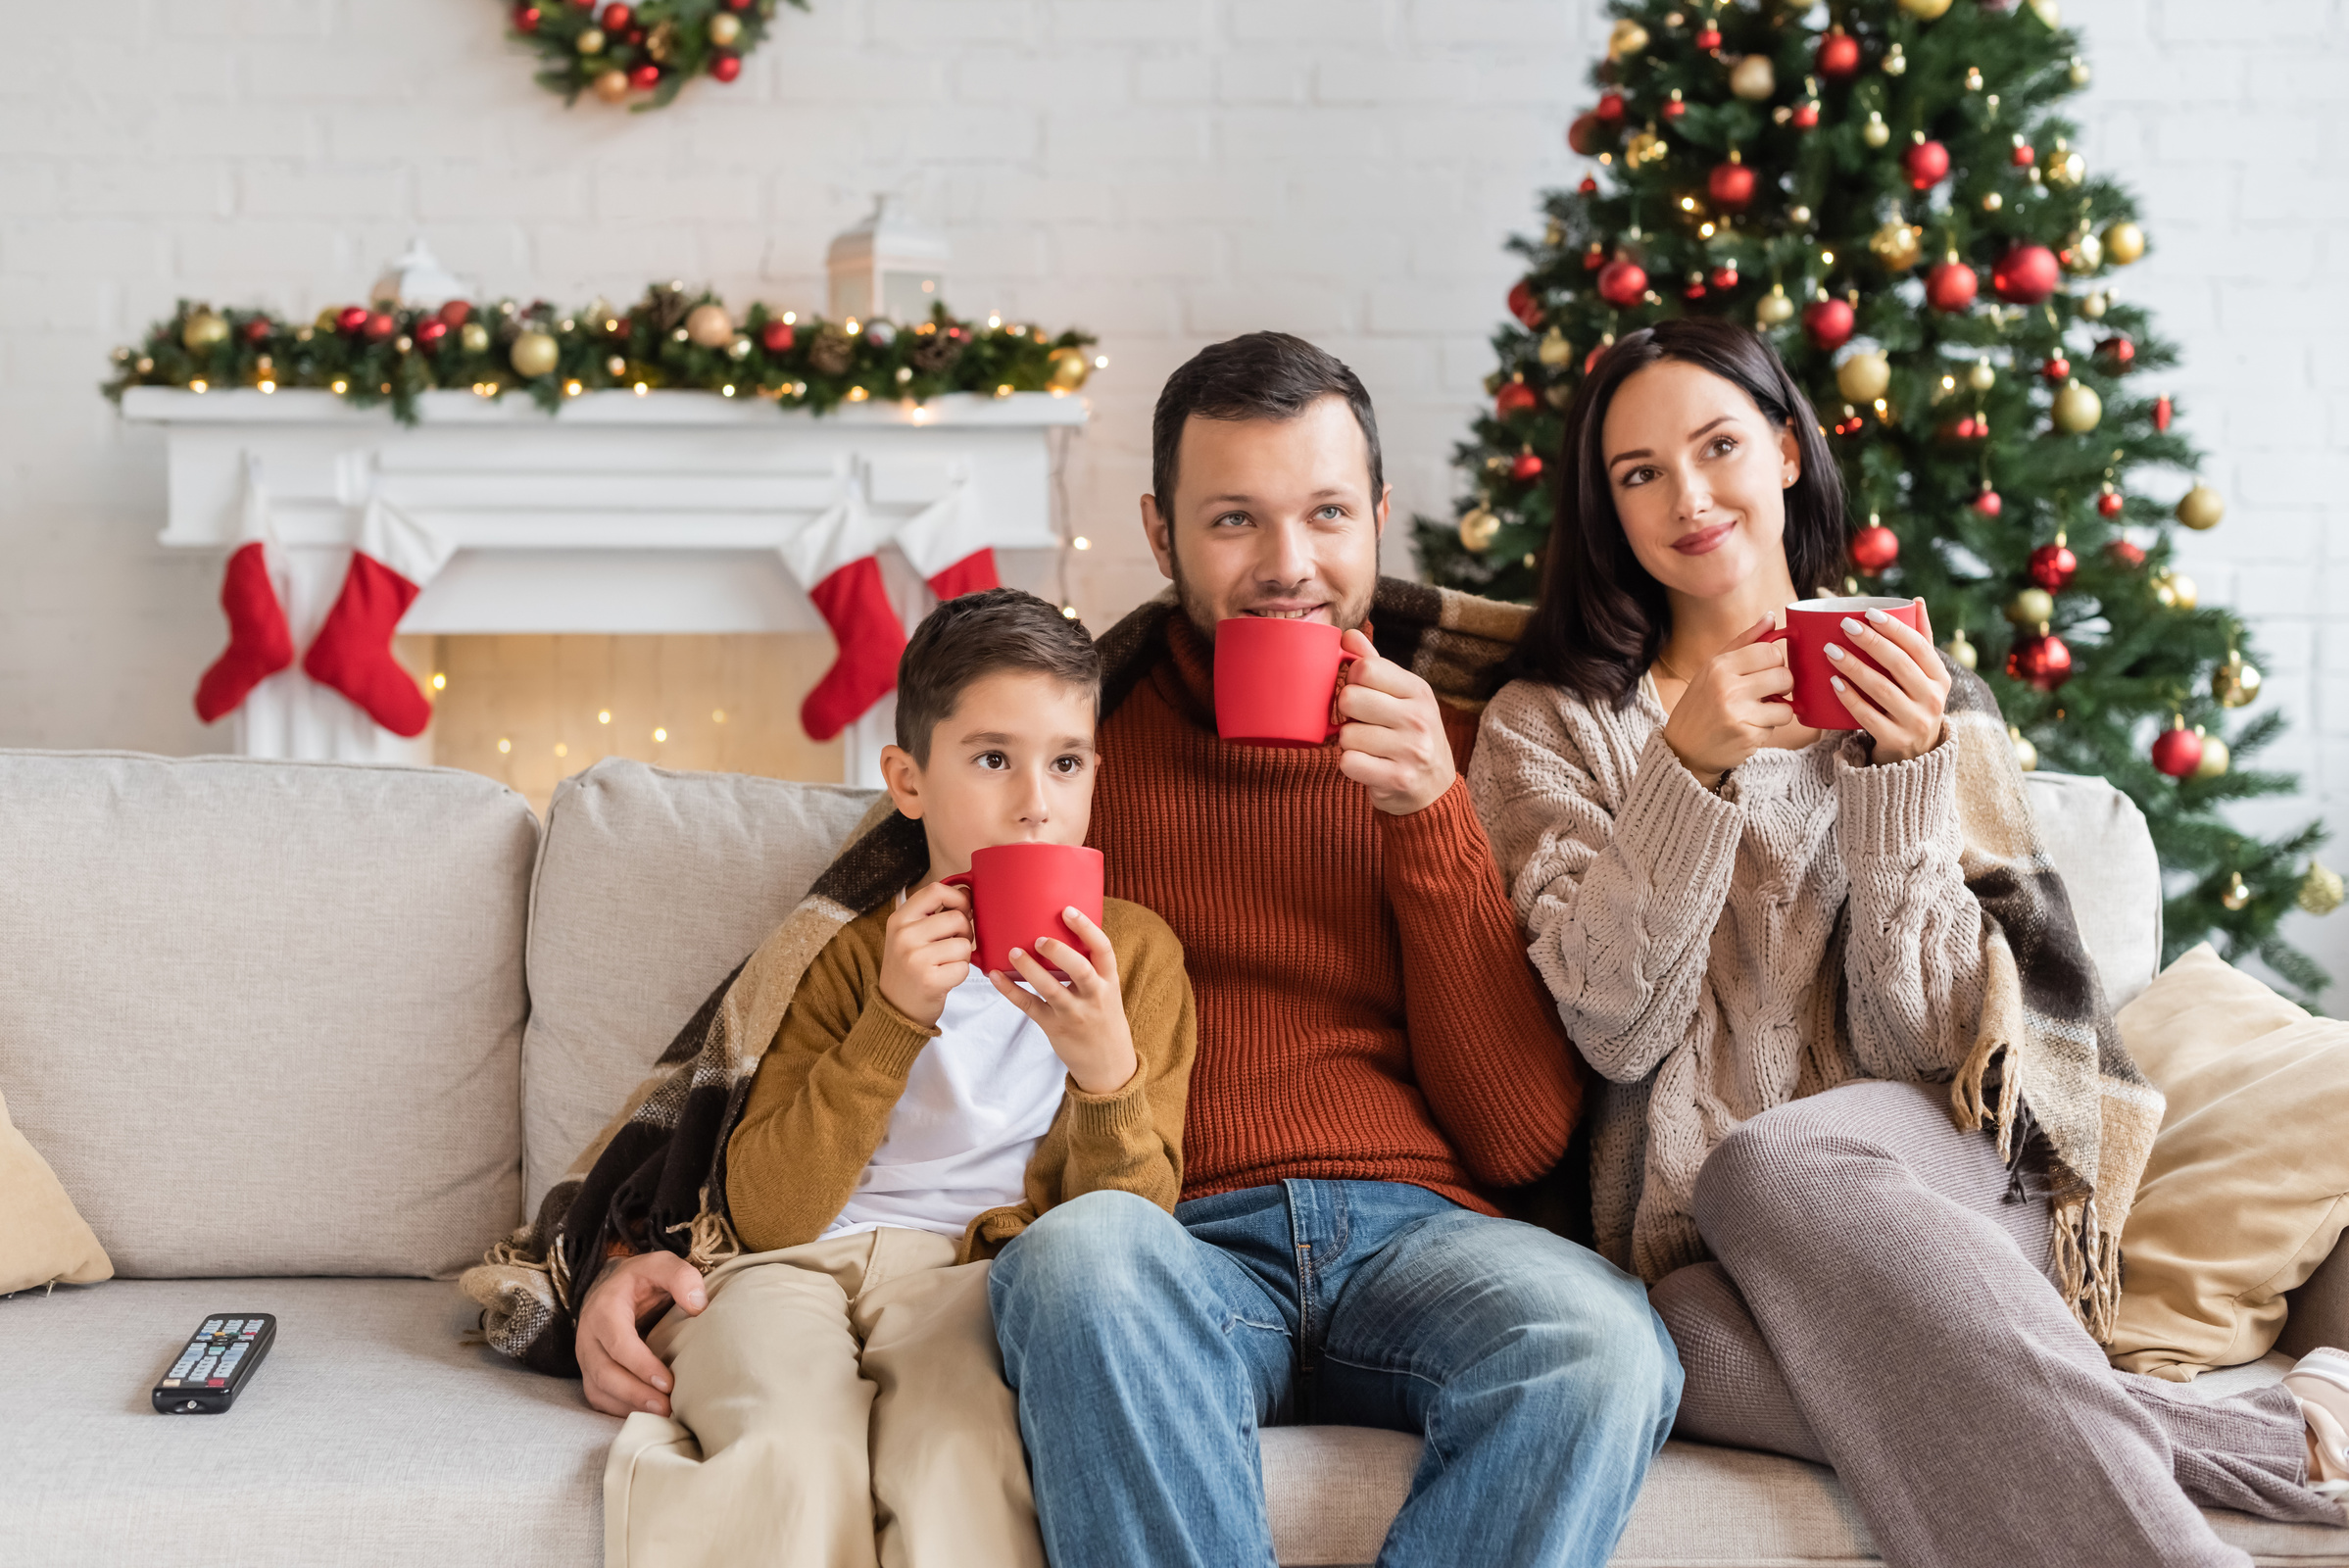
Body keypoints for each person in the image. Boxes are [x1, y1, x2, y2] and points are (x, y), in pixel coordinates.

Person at [1466, 315, 2348, 1568]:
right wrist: (1685, 771)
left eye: (1718, 445)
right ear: (1607, 509)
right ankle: (2288, 1438)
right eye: (1639, 472)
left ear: (1784, 450)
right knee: (1691, 1347)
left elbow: (1924, 1039)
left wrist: (1900, 789)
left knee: (1774, 1163)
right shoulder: (1547, 725)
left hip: (1936, 1192)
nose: (1689, 495)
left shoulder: (1923, 696)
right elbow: (1615, 1024)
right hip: (1697, 1247)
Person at [985, 332, 1682, 1568]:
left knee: (1604, 1342)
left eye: (1323, 514)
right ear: (1161, 536)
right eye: (1235, 521)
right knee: (1076, 1258)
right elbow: (856, 987)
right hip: (1175, 1233)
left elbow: (1521, 1136)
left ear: (1378, 517)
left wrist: (1430, 818)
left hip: (1420, 1233)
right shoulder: (1068, 756)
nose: (1288, 565)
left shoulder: (1478, 742)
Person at [580, 589, 1198, 1568]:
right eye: (993, 758)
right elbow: (770, 1213)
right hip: (786, 1271)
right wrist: (893, 1018)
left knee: (964, 1456)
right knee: (784, 1442)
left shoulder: (1135, 960)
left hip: (970, 1279)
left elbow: (1122, 1234)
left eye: (1066, 762)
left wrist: (1104, 1072)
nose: (1036, 798)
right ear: (908, 781)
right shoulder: (845, 952)